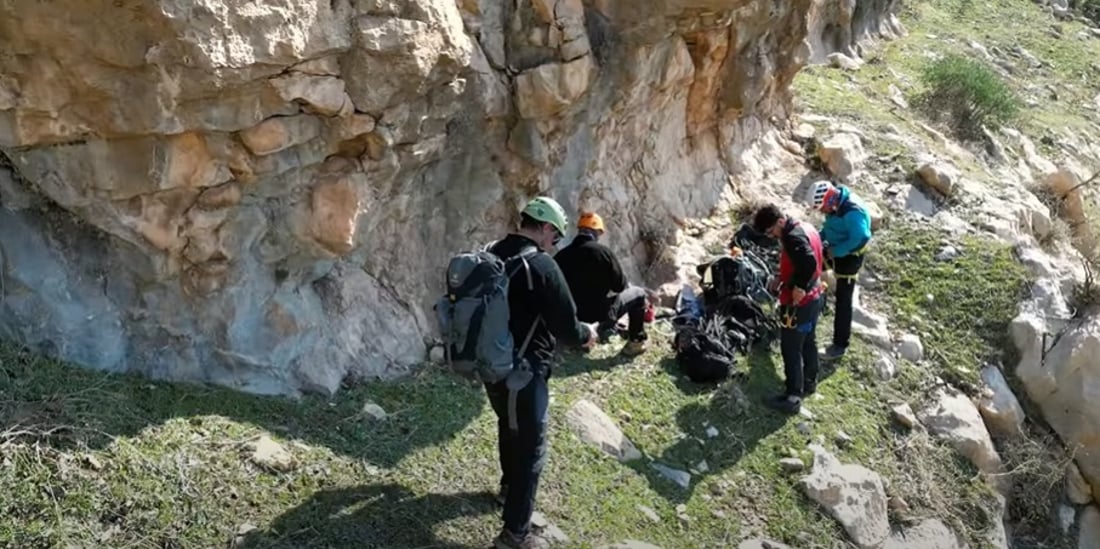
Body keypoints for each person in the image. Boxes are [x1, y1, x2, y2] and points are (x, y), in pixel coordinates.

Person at [485, 196, 597, 549]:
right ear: (546, 228)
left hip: (491, 366)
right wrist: (587, 334)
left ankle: (507, 490)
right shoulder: (542, 266)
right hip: (526, 371)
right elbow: (566, 327)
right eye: (557, 237)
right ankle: (515, 534)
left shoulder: (489, 252)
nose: (555, 243)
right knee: (531, 447)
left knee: (508, 423)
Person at [752, 203, 826, 414]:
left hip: (798, 304)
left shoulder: (792, 237)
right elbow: (805, 260)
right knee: (808, 339)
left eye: (771, 231)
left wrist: (798, 287)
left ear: (780, 222)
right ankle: (810, 380)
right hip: (815, 298)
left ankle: (793, 397)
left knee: (791, 347)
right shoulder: (805, 228)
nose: (773, 236)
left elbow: (809, 262)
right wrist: (781, 278)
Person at [554, 212, 650, 356]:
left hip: (572, 321)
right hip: (601, 318)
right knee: (639, 294)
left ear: (579, 230)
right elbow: (619, 286)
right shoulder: (604, 253)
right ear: (598, 232)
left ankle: (580, 339)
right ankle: (636, 342)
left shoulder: (561, 256)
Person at [810, 181, 873, 360]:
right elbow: (831, 226)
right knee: (809, 266)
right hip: (836, 246)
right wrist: (817, 238)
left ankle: (839, 345)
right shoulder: (838, 204)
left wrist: (836, 251)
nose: (822, 212)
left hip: (849, 257)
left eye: (822, 208)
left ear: (829, 201)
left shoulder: (852, 211)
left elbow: (861, 238)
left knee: (843, 300)